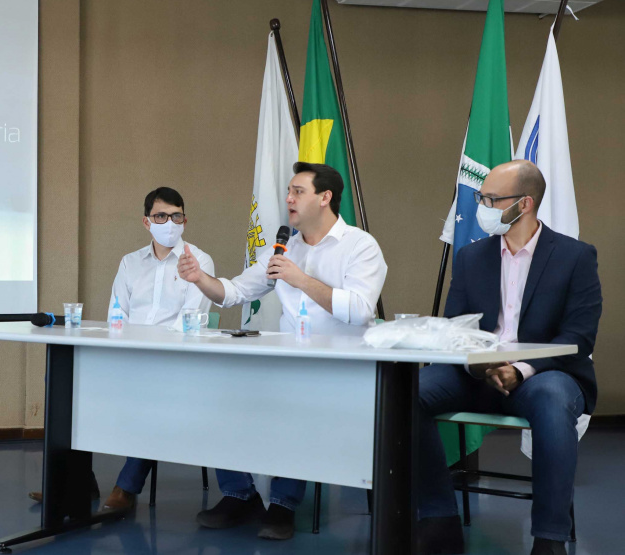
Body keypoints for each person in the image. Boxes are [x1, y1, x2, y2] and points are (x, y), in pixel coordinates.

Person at [177, 162, 387, 540]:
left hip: (342, 370)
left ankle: (283, 505)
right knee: (221, 394)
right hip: (288, 363)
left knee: (298, 401)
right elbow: (235, 292)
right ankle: (239, 495)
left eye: (298, 191)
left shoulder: (360, 245)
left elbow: (359, 310)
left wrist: (301, 279)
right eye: (288, 191)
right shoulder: (285, 245)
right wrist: (200, 279)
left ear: (325, 198)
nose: (288, 198)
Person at [416, 160, 602, 555]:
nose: (482, 206)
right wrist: (477, 363)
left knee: (553, 403)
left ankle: (549, 538)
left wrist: (519, 369)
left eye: (490, 199)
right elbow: (456, 326)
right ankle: (437, 519)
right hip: (475, 372)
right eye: (481, 197)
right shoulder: (471, 257)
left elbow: (579, 337)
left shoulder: (575, 257)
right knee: (406, 393)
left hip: (543, 375)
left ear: (525, 204)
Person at [29, 186, 215, 509]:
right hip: (127, 357)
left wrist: (147, 350)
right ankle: (74, 481)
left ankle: (126, 488)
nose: (169, 222)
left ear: (185, 220)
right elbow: (118, 316)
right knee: (64, 380)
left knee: (151, 393)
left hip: (172, 363)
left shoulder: (198, 261)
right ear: (146, 222)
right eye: (161, 216)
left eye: (176, 216)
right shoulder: (130, 263)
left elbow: (192, 321)